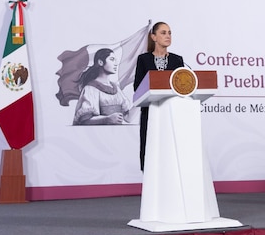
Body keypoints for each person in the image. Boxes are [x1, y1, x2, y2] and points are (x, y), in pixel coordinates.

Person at [133, 22, 185, 171]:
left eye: (169, 33)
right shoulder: (143, 59)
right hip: (150, 113)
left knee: (170, 151)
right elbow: (137, 87)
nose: (168, 36)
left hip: (171, 114)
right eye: (163, 33)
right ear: (153, 37)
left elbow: (181, 85)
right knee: (150, 149)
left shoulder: (177, 60)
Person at [72, 48, 132, 125]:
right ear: (100, 62)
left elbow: (127, 117)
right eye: (112, 59)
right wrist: (107, 119)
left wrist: (142, 100)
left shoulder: (116, 88)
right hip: (98, 134)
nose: (116, 63)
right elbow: (85, 120)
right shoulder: (91, 88)